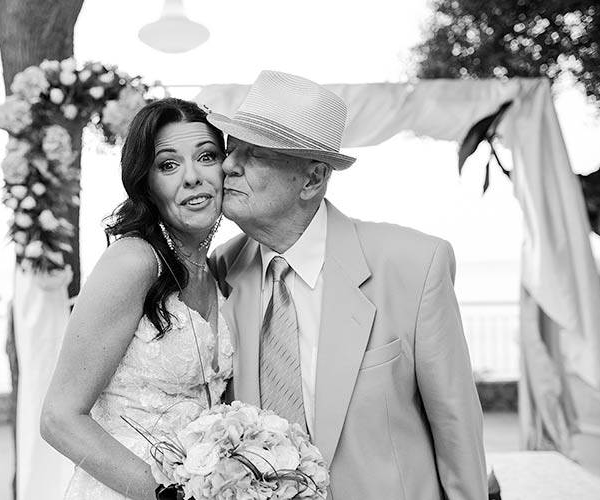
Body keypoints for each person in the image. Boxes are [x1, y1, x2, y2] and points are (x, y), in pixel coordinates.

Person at [208, 70, 487, 500]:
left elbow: (456, 427)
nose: (228, 165)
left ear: (313, 178)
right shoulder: (219, 271)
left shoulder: (414, 264)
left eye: (255, 154)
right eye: (231, 149)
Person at [41, 98, 232, 500]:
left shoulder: (217, 271)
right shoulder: (134, 261)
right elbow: (59, 418)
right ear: (145, 181)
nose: (193, 177)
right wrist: (172, 495)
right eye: (168, 164)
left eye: (207, 156)